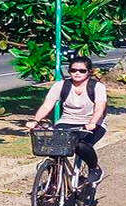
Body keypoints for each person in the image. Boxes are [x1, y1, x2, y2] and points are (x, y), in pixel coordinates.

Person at [26, 55, 108, 188]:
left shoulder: (97, 87)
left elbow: (100, 107)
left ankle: (94, 168)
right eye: (73, 70)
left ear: (89, 72)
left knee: (80, 145)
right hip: (66, 121)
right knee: (53, 146)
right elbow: (47, 105)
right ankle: (54, 179)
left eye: (82, 71)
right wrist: (35, 120)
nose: (77, 73)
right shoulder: (61, 85)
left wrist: (92, 122)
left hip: (91, 123)